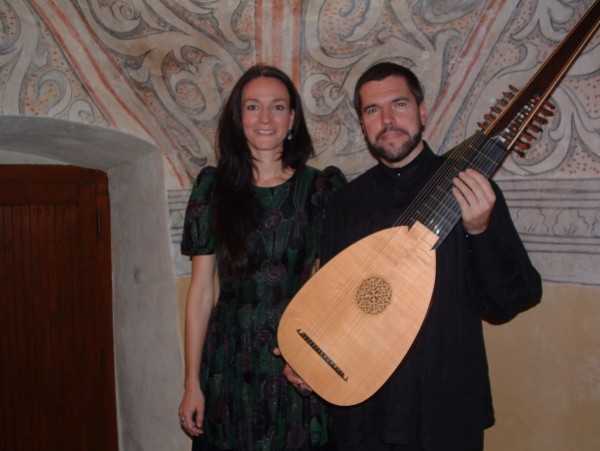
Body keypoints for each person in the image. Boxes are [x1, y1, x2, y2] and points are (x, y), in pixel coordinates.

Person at [284, 62, 542, 450]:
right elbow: (338, 303)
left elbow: (508, 301)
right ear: (363, 124)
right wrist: (310, 363)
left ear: (422, 111)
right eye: (373, 110)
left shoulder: (470, 188)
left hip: (445, 406)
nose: (387, 120)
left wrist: (480, 230)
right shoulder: (346, 204)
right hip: (364, 411)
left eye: (399, 104)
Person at [178, 64, 346, 451]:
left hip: (297, 358)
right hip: (229, 360)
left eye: (277, 107)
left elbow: (335, 289)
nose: (265, 118)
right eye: (253, 107)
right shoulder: (212, 189)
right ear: (238, 119)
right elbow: (201, 293)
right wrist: (191, 383)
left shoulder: (320, 189)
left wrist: (314, 354)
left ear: (292, 118)